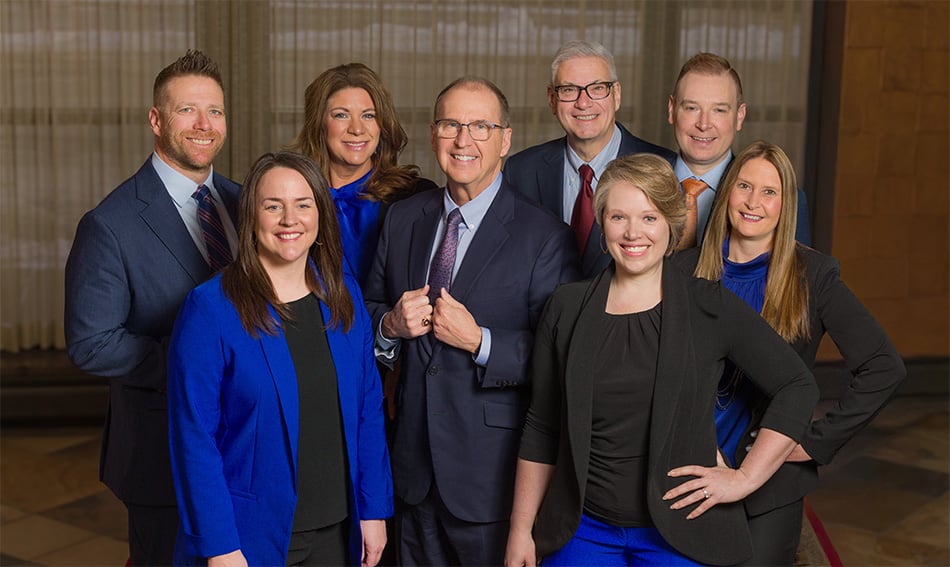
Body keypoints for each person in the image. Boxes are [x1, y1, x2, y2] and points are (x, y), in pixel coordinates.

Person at [504, 153, 819, 567]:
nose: (634, 232)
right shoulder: (567, 307)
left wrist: (744, 478)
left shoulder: (707, 306)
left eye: (649, 218)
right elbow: (541, 425)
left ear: (671, 226)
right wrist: (520, 530)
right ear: (602, 224)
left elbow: (797, 386)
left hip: (682, 531)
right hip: (584, 529)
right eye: (619, 217)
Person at [363, 77, 579, 565]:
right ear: (433, 133)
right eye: (451, 124)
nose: (464, 140)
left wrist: (480, 341)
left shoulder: (544, 236)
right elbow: (366, 313)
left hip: (491, 481)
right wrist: (390, 325)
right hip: (411, 474)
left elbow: (558, 355)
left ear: (505, 139)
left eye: (481, 126)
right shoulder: (402, 219)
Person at [677, 140, 905, 565]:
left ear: (786, 206)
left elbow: (883, 367)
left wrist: (816, 442)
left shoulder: (813, 276)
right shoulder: (680, 271)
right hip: (691, 468)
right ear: (726, 191)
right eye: (744, 186)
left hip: (771, 478)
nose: (753, 202)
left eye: (769, 192)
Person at [167, 151, 393, 566]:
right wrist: (219, 546)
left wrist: (374, 508)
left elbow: (367, 410)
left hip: (338, 528)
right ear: (252, 218)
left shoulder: (343, 294)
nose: (290, 220)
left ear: (320, 216)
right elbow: (193, 439)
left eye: (303, 205)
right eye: (274, 206)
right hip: (249, 536)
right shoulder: (210, 309)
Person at [64, 49, 238, 566]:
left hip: (244, 444)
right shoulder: (109, 224)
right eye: (187, 110)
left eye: (216, 111)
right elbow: (91, 343)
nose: (205, 125)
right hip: (161, 453)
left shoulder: (244, 201)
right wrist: (195, 365)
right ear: (156, 120)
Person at [505, 40, 676, 278]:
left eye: (597, 88)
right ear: (552, 99)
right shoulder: (520, 171)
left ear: (616, 94)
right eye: (568, 90)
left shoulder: (666, 167)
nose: (583, 103)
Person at [289, 62, 437, 286]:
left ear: (382, 125)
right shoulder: (291, 198)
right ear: (319, 125)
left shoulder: (417, 197)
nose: (357, 129)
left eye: (368, 116)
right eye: (341, 115)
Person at [667, 52, 811, 249]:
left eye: (719, 110)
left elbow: (796, 276)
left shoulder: (783, 201)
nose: (704, 124)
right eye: (692, 108)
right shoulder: (636, 185)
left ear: (740, 116)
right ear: (672, 109)